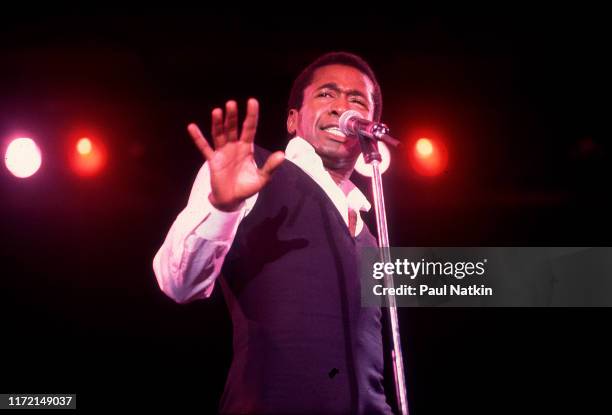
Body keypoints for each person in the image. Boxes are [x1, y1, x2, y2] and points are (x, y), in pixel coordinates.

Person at [153, 51, 394, 414]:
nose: (341, 106)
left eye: (356, 100)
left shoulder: (372, 235)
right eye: (326, 95)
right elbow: (178, 282)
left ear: (370, 125)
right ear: (294, 120)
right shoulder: (250, 170)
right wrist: (223, 206)